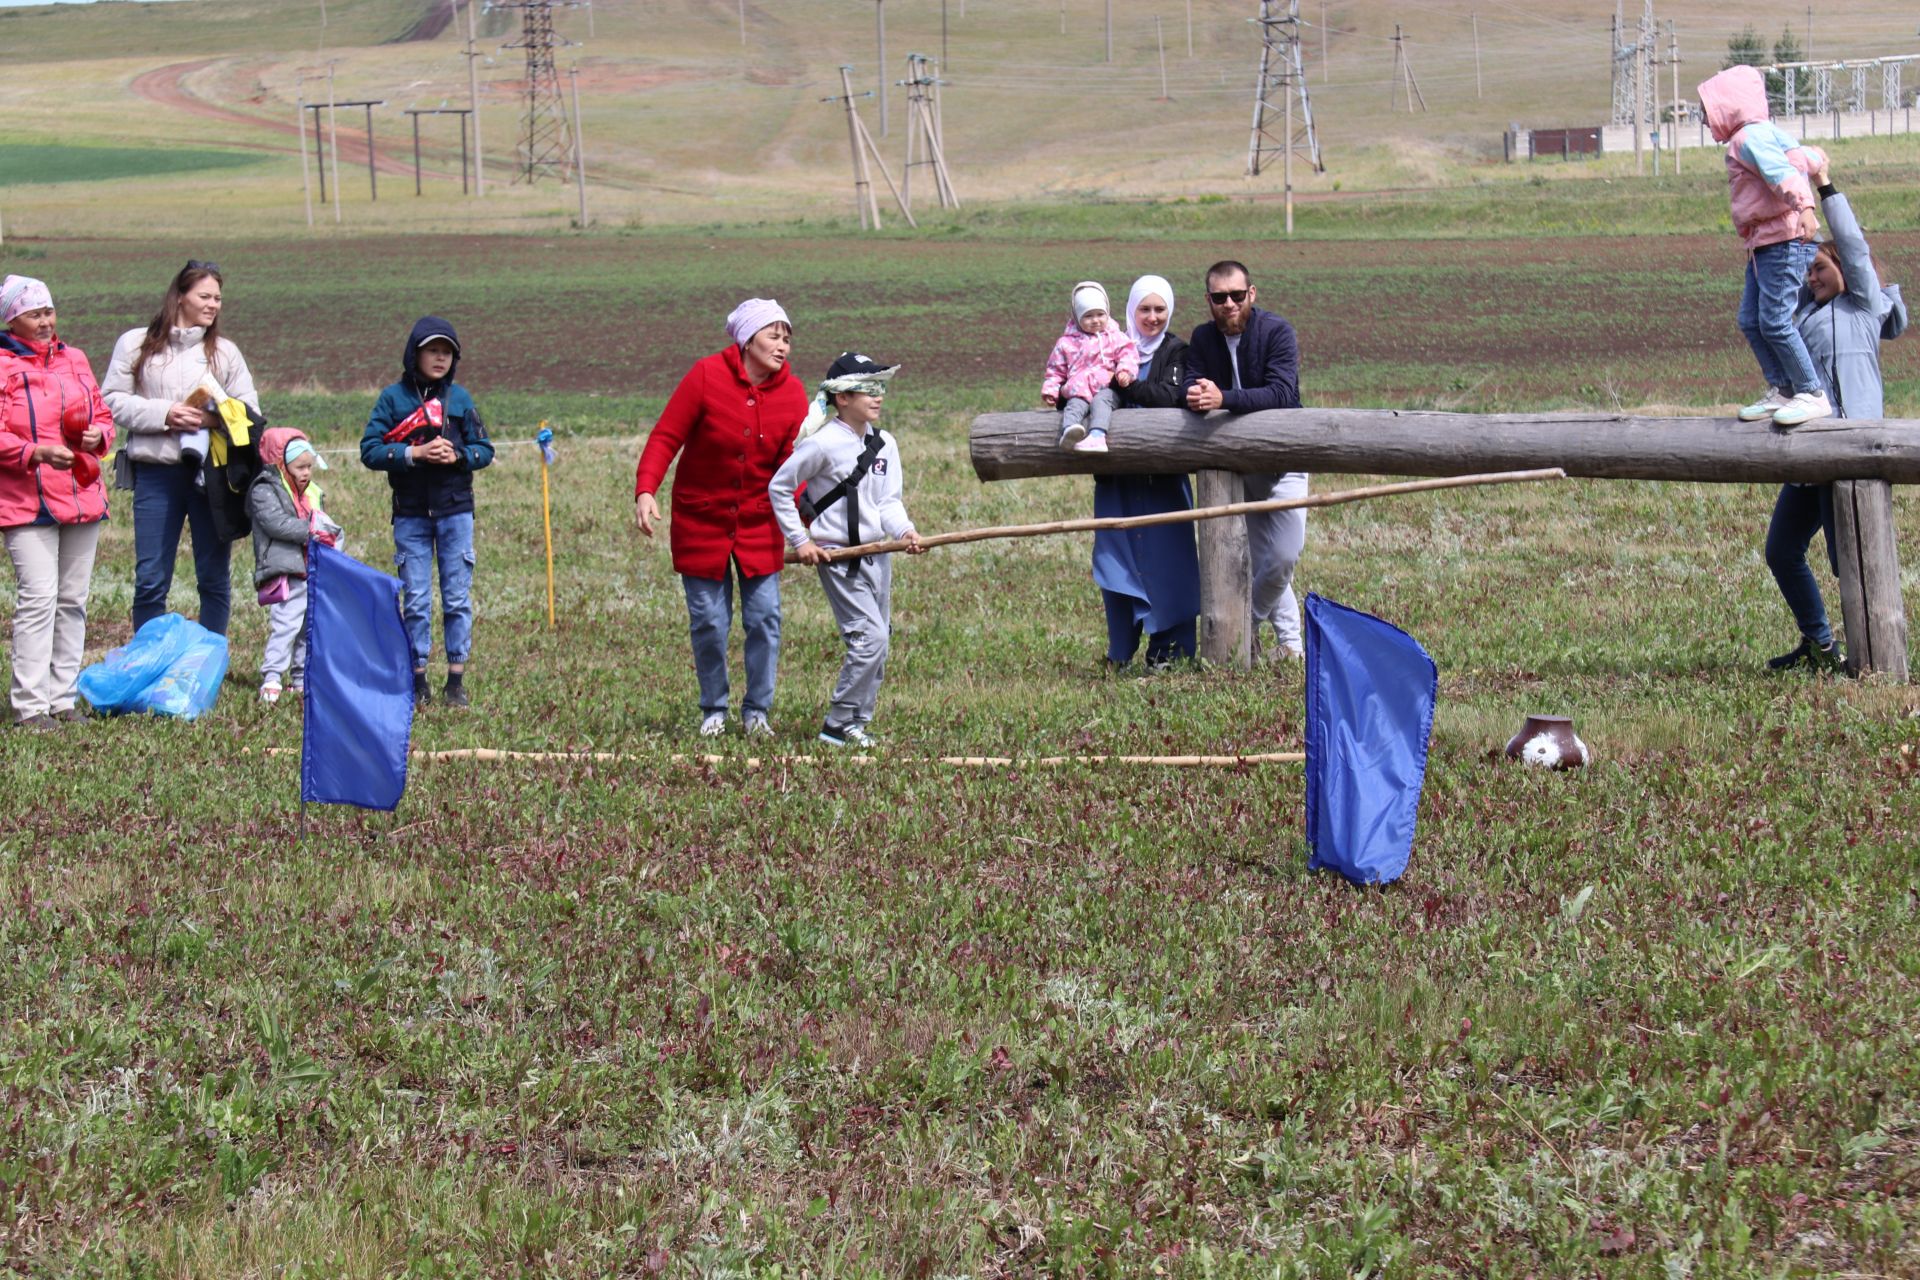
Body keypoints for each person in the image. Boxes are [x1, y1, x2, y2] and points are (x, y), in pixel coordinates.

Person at [635, 299, 808, 738]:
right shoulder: (706, 375)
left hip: (759, 523)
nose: (782, 345)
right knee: (710, 620)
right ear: (747, 339)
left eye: (787, 337)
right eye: (773, 335)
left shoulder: (793, 394)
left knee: (765, 617)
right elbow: (666, 436)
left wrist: (799, 521)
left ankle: (757, 712)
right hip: (702, 521)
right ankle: (714, 708)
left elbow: (795, 468)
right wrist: (646, 489)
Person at [1763, 159, 1908, 674]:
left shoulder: (1865, 308)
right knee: (1781, 552)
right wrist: (1792, 218)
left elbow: (1852, 244)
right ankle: (1822, 647)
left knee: (1850, 563)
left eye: (1820, 267)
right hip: (1811, 456)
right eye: (1809, 270)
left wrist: (1824, 189)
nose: (1812, 276)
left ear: (1844, 267)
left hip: (1853, 455)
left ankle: (1871, 658)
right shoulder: (1800, 315)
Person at [769, 352, 924, 749]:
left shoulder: (885, 444)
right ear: (841, 397)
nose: (877, 397)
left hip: (879, 554)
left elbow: (888, 501)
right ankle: (836, 724)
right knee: (868, 639)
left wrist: (904, 532)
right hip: (839, 559)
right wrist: (801, 541)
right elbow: (780, 487)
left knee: (881, 638)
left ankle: (858, 721)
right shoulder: (822, 445)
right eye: (867, 390)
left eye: (881, 389)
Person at [101, 260, 259, 637]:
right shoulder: (135, 344)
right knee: (151, 578)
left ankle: (208, 664)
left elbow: (252, 413)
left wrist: (211, 420)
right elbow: (110, 400)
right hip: (156, 475)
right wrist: (166, 414)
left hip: (212, 476)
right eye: (204, 295)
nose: (213, 304)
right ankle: (147, 661)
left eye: (218, 298)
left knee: (213, 577)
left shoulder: (225, 352)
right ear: (180, 296)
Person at [360, 317, 493, 708]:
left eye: (447, 352)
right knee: (416, 600)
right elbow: (369, 450)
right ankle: (417, 680)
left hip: (456, 512)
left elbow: (485, 449)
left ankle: (456, 681)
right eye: (432, 350)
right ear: (414, 353)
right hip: (411, 514)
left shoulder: (462, 400)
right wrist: (413, 453)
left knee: (456, 598)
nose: (440, 358)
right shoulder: (392, 399)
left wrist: (459, 456)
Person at [0, 275, 114, 731]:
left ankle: (63, 698)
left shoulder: (76, 359)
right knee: (39, 597)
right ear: (12, 320)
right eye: (34, 314)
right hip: (25, 498)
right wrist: (35, 452)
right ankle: (29, 705)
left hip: (80, 493)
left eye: (49, 311)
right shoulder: (3, 367)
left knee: (72, 600)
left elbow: (102, 415)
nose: (46, 321)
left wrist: (98, 436)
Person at [1181, 259, 1306, 659]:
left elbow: (1283, 394)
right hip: (1239, 467)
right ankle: (1290, 645)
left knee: (1284, 555)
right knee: (1261, 559)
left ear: (1252, 293)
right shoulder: (1202, 338)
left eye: (1237, 295)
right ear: (1209, 300)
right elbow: (1189, 380)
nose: (1229, 304)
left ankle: (1245, 625)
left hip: (1285, 457)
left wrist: (1222, 398)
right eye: (1220, 297)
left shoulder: (1278, 331)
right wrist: (1195, 394)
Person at [1697, 64, 1832, 429]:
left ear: (1730, 108)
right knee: (1751, 320)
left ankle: (1811, 392)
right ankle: (1784, 388)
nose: (1706, 121)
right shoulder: (1766, 133)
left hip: (1782, 241)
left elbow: (1781, 173)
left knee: (1773, 321)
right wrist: (1818, 159)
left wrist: (1805, 207)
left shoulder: (1747, 139)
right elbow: (1799, 158)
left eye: (1708, 112)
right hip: (1765, 244)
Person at [1096, 273, 1199, 668]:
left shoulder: (1177, 352)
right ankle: (1120, 651)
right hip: (1117, 482)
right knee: (1115, 560)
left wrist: (1125, 388)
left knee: (1170, 563)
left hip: (1162, 481)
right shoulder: (1111, 347)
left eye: (1160, 310)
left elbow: (1170, 397)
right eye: (1145, 309)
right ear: (1131, 310)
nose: (1153, 317)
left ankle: (1170, 653)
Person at [250, 428, 341, 704]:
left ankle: (301, 678)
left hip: (310, 570)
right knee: (286, 625)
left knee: (307, 627)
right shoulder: (264, 490)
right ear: (281, 465)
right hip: (286, 572)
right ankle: (272, 676)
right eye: (300, 467)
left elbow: (321, 522)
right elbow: (276, 524)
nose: (306, 473)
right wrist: (313, 530)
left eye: (309, 467)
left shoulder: (311, 492)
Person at [1042, 281, 1137, 454]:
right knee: (1074, 405)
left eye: (1100, 314)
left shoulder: (1114, 337)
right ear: (1077, 318)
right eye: (1088, 316)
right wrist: (1051, 389)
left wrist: (1124, 371)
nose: (1095, 321)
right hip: (1079, 389)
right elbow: (1055, 370)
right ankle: (1070, 432)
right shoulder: (1066, 343)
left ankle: (1098, 434)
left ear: (1107, 313)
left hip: (1107, 388)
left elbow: (1128, 354)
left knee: (1102, 402)